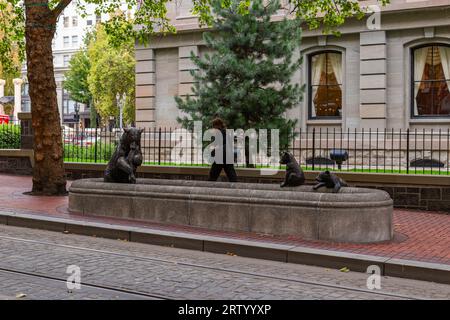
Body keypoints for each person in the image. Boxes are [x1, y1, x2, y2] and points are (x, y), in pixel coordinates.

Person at [208, 117, 238, 182]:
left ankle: (208, 189)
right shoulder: (226, 132)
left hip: (221, 156)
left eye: (213, 126)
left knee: (213, 175)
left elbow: (220, 145)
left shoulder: (220, 133)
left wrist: (213, 152)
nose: (213, 128)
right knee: (231, 175)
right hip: (227, 156)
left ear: (217, 125)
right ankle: (236, 188)